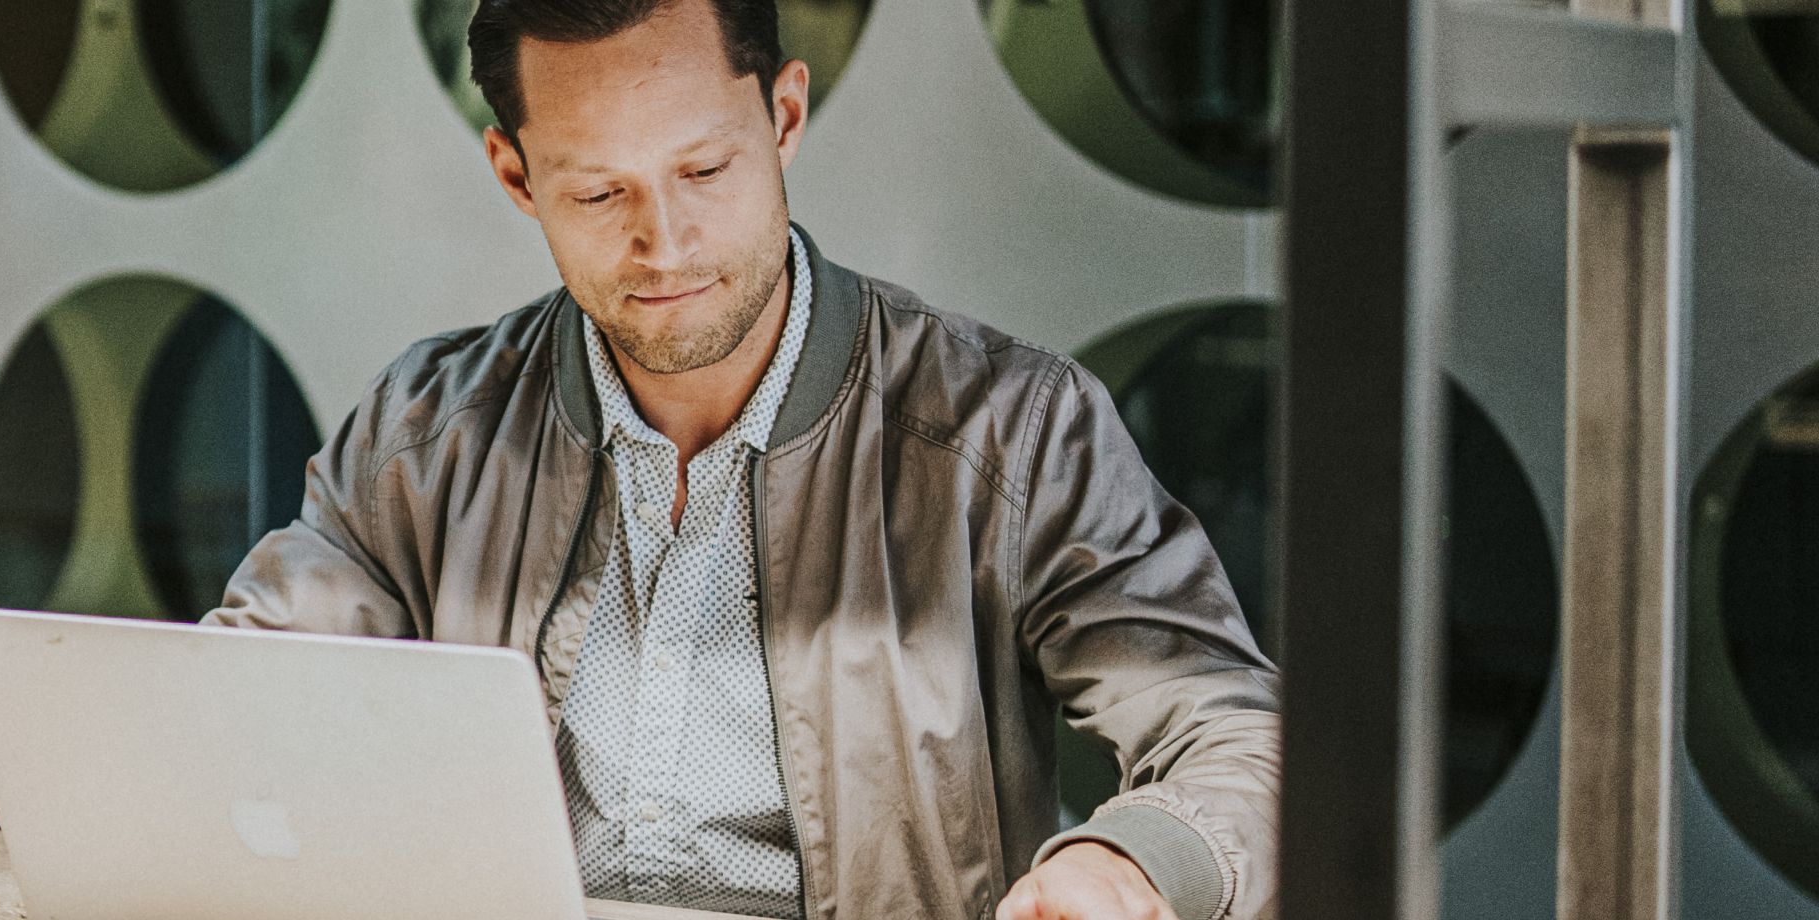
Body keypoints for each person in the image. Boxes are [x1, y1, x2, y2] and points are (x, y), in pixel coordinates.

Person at [196, 0, 1281, 917]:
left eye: (704, 168)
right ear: (516, 177)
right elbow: (236, 702)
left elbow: (1235, 729)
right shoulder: (426, 435)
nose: (663, 242)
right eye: (597, 192)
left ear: (786, 117)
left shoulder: (1008, 431)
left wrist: (1131, 860)